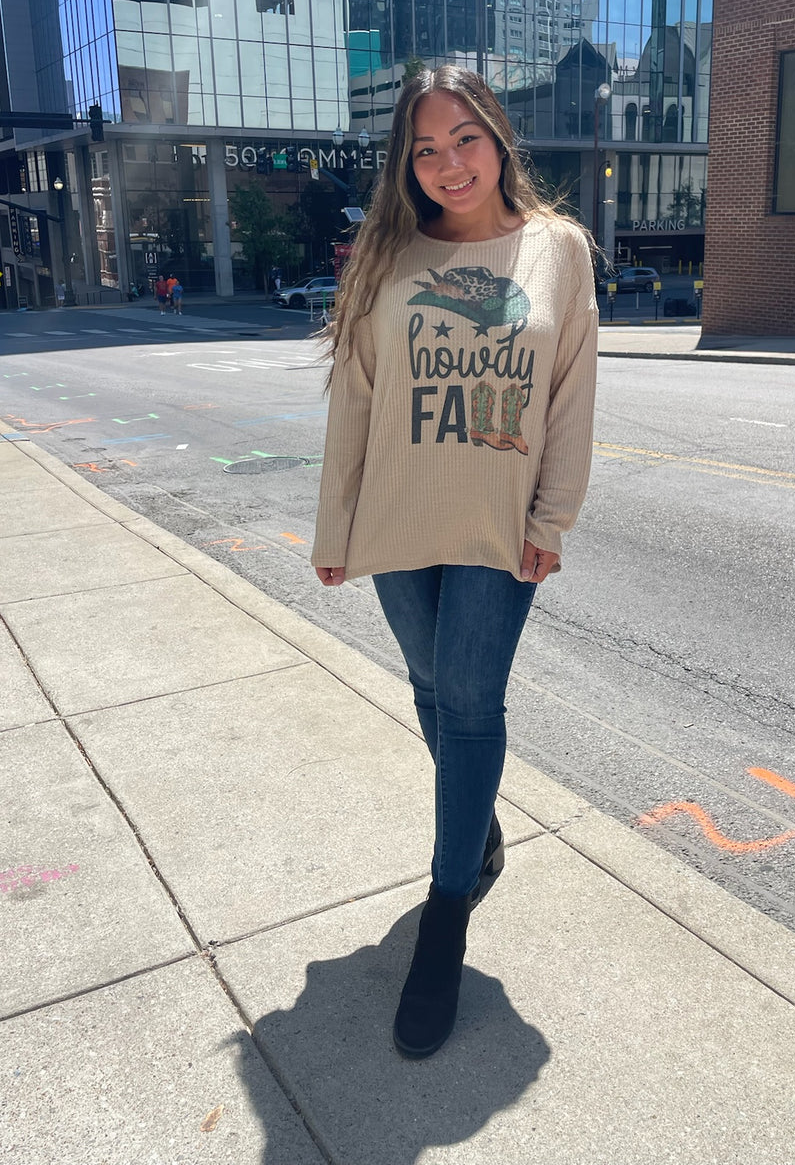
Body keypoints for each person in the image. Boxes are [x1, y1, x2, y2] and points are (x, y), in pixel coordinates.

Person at [311, 66, 598, 1059]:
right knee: (432, 689)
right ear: (407, 163)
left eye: (465, 138)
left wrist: (552, 518)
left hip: (497, 524)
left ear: (499, 138)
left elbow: (570, 393)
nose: (448, 164)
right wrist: (335, 528)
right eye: (425, 148)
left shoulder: (558, 249)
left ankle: (445, 910)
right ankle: (476, 832)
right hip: (398, 516)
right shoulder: (386, 254)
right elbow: (355, 396)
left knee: (471, 700)